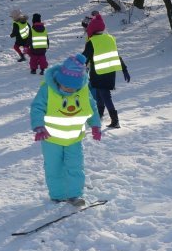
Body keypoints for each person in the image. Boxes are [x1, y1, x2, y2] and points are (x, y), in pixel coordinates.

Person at [29, 54, 102, 205]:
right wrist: (39, 126)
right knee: (53, 168)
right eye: (66, 86)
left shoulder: (82, 90)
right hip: (51, 139)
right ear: (59, 81)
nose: (70, 90)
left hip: (74, 139)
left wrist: (95, 125)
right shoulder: (47, 90)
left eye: (73, 87)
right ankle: (57, 195)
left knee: (75, 166)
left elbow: (92, 107)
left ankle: (75, 195)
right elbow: (37, 108)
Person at [82, 14, 130, 128]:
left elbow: (84, 57)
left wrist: (74, 66)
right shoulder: (110, 38)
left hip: (98, 73)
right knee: (99, 94)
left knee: (105, 96)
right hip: (110, 73)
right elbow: (117, 55)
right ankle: (99, 115)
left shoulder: (92, 42)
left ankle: (115, 120)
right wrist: (125, 69)